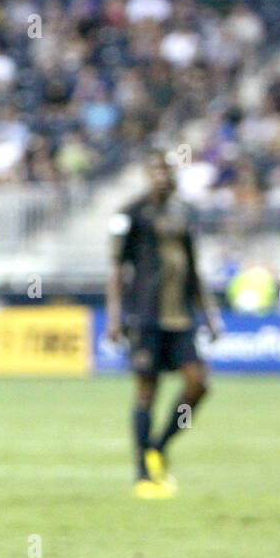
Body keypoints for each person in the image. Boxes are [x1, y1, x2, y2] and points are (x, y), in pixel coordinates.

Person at [107, 149, 222, 498]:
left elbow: (194, 268)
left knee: (198, 384)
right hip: (145, 315)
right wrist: (115, 316)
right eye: (155, 170)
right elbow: (116, 268)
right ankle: (143, 472)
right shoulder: (131, 214)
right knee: (147, 391)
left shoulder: (183, 215)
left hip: (181, 316)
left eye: (166, 170)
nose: (161, 176)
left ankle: (160, 442)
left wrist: (210, 314)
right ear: (147, 174)